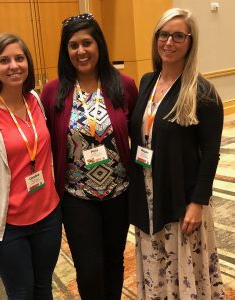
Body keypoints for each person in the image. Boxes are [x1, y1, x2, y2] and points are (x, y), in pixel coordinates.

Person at [129, 8, 225, 299]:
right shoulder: (147, 82)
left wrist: (197, 203)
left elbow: (211, 154)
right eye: (164, 34)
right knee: (155, 263)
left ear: (190, 42)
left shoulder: (203, 93)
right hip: (148, 192)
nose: (169, 42)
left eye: (178, 36)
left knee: (182, 266)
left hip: (182, 198)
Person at [41, 13, 138, 300]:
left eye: (87, 43)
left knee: (114, 262)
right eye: (73, 45)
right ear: (65, 50)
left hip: (119, 193)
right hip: (76, 196)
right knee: (89, 268)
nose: (81, 51)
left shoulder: (124, 85)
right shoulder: (53, 92)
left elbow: (142, 134)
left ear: (99, 45)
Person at [0, 33, 62, 300]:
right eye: (4, 60)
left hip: (48, 216)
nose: (14, 66)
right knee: (20, 291)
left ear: (28, 63)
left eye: (19, 58)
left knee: (44, 287)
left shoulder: (35, 100)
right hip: (8, 225)